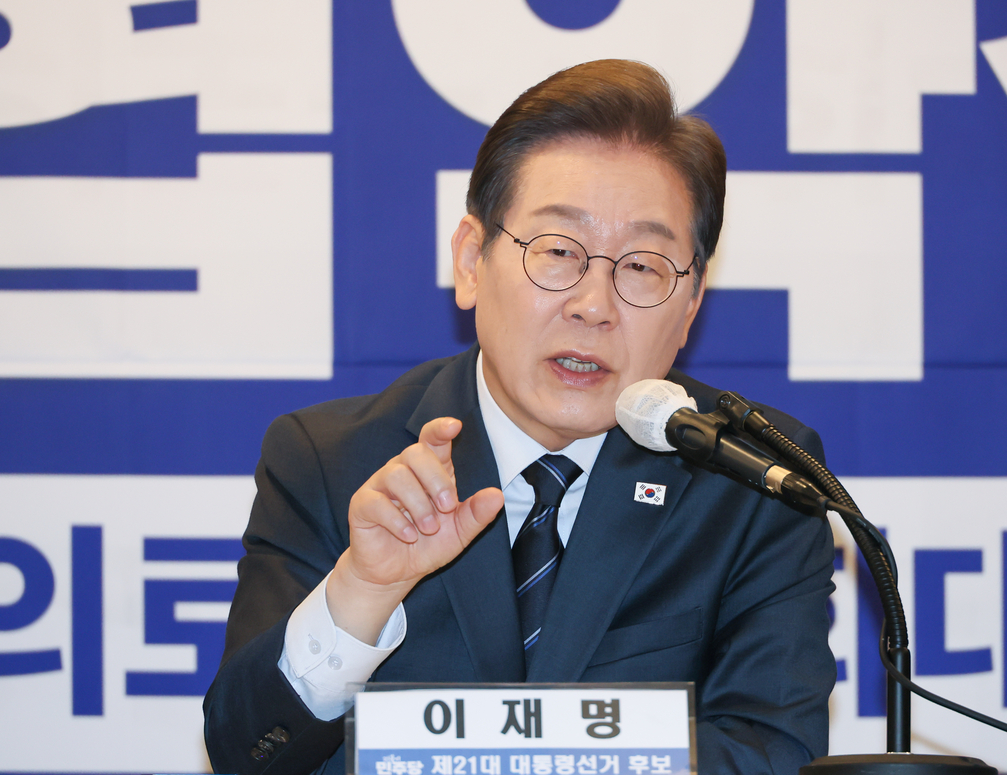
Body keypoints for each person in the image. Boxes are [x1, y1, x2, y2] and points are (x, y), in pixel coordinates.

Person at [204, 59, 836, 775]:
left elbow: (772, 751)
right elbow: (247, 752)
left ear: (689, 305)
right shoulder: (330, 460)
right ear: (472, 260)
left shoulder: (755, 481)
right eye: (559, 252)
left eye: (642, 267)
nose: (594, 305)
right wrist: (361, 593)